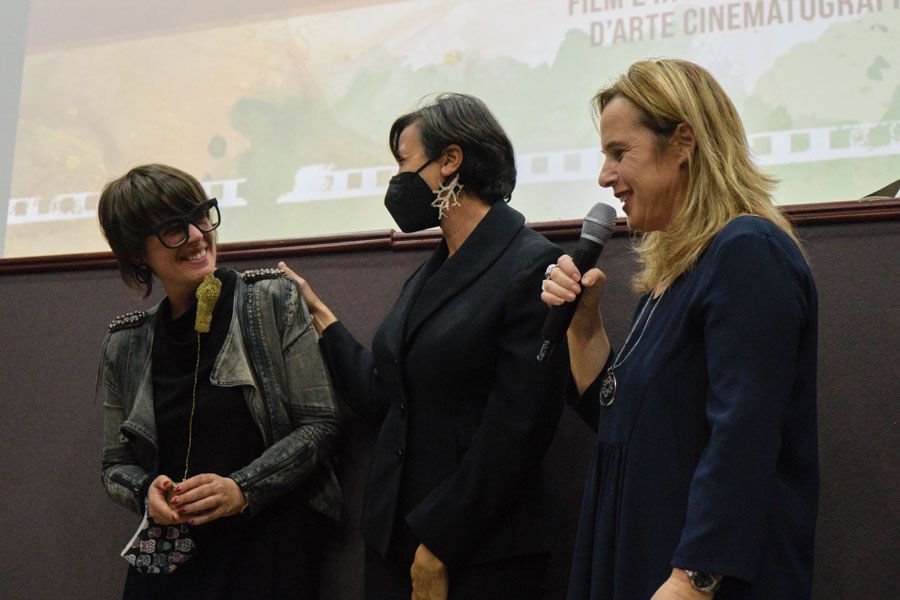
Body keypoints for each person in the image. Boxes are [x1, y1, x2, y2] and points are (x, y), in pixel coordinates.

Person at [541, 59, 818, 599]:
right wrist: (583, 326)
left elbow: (744, 434)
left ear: (683, 143)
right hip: (644, 559)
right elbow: (623, 424)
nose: (604, 176)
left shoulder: (748, 251)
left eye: (619, 153)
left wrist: (694, 578)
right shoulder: (677, 271)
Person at [280, 93, 568, 600]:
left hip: (476, 555)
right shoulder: (429, 271)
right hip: (395, 542)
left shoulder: (531, 265)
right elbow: (384, 394)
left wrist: (439, 544)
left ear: (450, 160)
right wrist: (320, 317)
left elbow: (517, 431)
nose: (397, 180)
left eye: (403, 162)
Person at [96, 164, 341, 599]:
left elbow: (320, 425)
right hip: (167, 555)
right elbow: (115, 466)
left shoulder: (271, 301)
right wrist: (146, 490)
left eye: (201, 215)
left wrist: (240, 489)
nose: (197, 235)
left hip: (266, 544)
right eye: (173, 228)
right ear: (136, 253)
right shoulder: (126, 343)